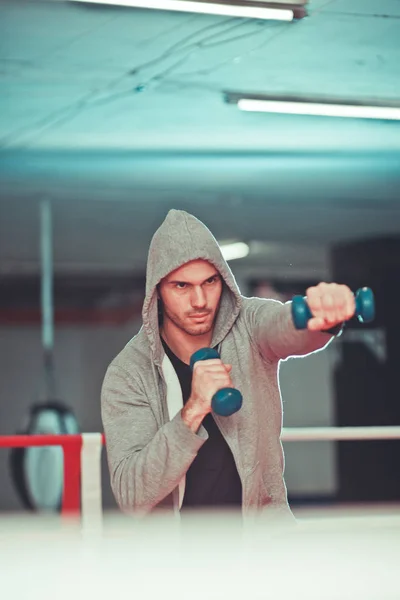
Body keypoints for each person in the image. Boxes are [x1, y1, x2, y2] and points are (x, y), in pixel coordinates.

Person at [101, 209, 354, 518]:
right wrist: (192, 410)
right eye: (182, 286)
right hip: (176, 559)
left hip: (260, 546)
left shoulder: (248, 323)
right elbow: (133, 496)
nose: (200, 300)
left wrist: (322, 317)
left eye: (209, 282)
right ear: (157, 291)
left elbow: (286, 326)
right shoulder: (129, 372)